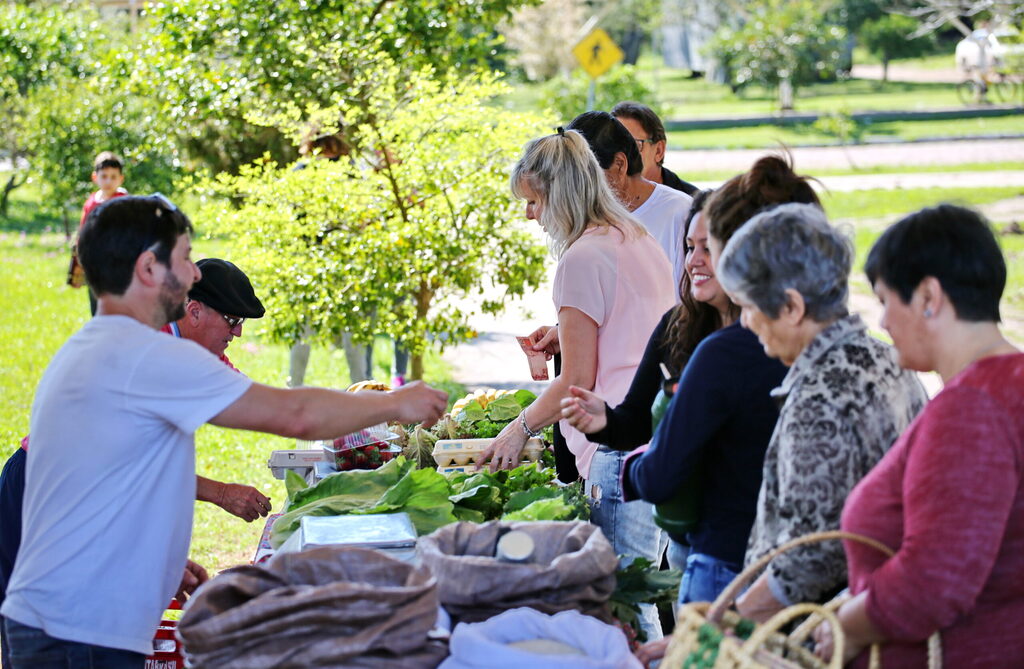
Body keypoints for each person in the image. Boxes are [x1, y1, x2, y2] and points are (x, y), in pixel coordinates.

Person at [1, 195, 448, 668]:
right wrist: (397, 400)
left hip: (68, 621)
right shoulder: (146, 355)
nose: (194, 274)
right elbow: (294, 413)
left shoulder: (104, 345)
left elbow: (109, 480)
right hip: (78, 633)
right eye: (185, 258)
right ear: (149, 268)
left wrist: (152, 564)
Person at [0, 256, 272, 667]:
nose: (237, 333)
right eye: (233, 320)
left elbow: (265, 406)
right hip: (43, 489)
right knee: (47, 635)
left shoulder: (201, 353)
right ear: (194, 310)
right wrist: (219, 494)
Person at [479, 128, 675, 639]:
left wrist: (520, 427)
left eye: (534, 201)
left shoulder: (582, 258)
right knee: (636, 593)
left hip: (614, 451)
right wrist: (563, 336)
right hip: (652, 440)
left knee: (619, 606)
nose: (530, 215)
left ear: (560, 193)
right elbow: (629, 337)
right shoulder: (634, 236)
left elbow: (577, 381)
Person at [812, 204, 1024, 668]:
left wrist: (845, 625)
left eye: (886, 299)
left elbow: (933, 581)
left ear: (929, 295)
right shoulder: (1008, 384)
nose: (883, 322)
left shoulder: (972, 407)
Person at [709, 203, 927, 622]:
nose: (747, 323)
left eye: (749, 307)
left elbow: (812, 556)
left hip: (825, 633)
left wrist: (728, 626)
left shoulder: (820, 397)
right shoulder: (884, 358)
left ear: (791, 307)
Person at [560, 189, 725, 573]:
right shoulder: (677, 328)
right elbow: (634, 422)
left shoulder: (761, 342)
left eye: (708, 248)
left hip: (736, 547)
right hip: (690, 542)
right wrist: (603, 422)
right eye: (688, 247)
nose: (693, 262)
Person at [567, 111, 692, 283]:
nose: (578, 187)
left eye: (587, 175)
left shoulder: (678, 211)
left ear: (619, 164)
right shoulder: (583, 214)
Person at [74, 151, 129, 316]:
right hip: (94, 263)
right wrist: (78, 262)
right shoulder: (91, 202)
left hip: (117, 263)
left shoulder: (123, 201)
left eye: (113, 177)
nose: (108, 181)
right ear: (95, 177)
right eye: (104, 176)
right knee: (97, 306)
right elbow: (83, 232)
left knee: (117, 305)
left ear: (121, 178)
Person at [611, 101, 698, 196]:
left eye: (634, 145)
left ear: (658, 151)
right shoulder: (599, 198)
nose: (620, 155)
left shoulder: (691, 203)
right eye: (614, 144)